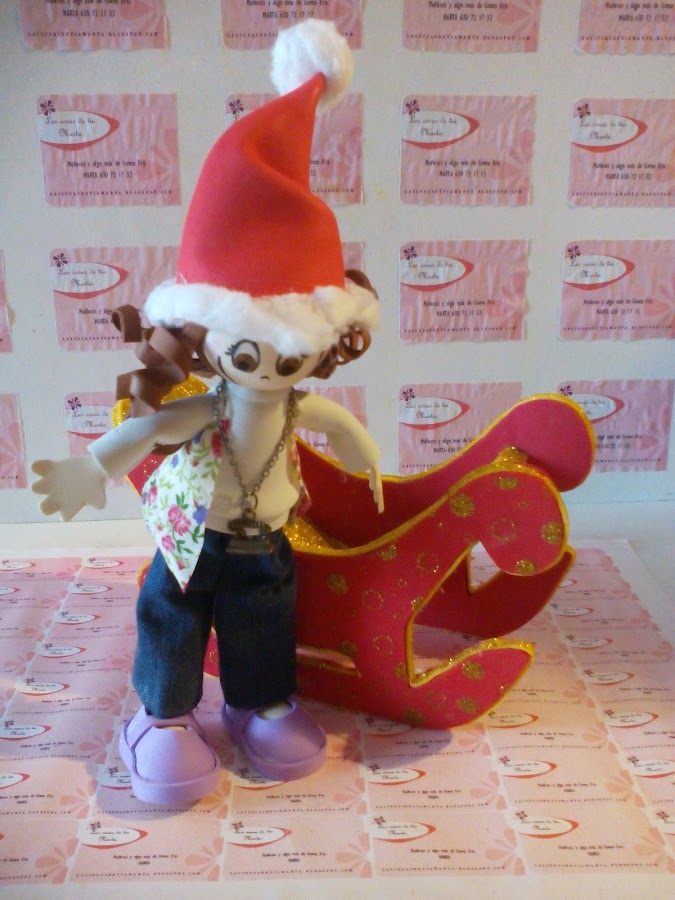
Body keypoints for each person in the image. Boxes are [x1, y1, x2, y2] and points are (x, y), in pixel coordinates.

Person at [32, 20, 383, 804]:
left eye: (289, 354)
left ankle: (258, 705)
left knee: (264, 619)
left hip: (267, 538)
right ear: (200, 335)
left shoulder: (295, 404)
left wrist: (361, 450)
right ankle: (162, 718)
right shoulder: (211, 407)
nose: (270, 372)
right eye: (248, 351)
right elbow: (156, 427)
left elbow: (333, 423)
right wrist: (93, 466)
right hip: (193, 537)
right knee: (173, 615)